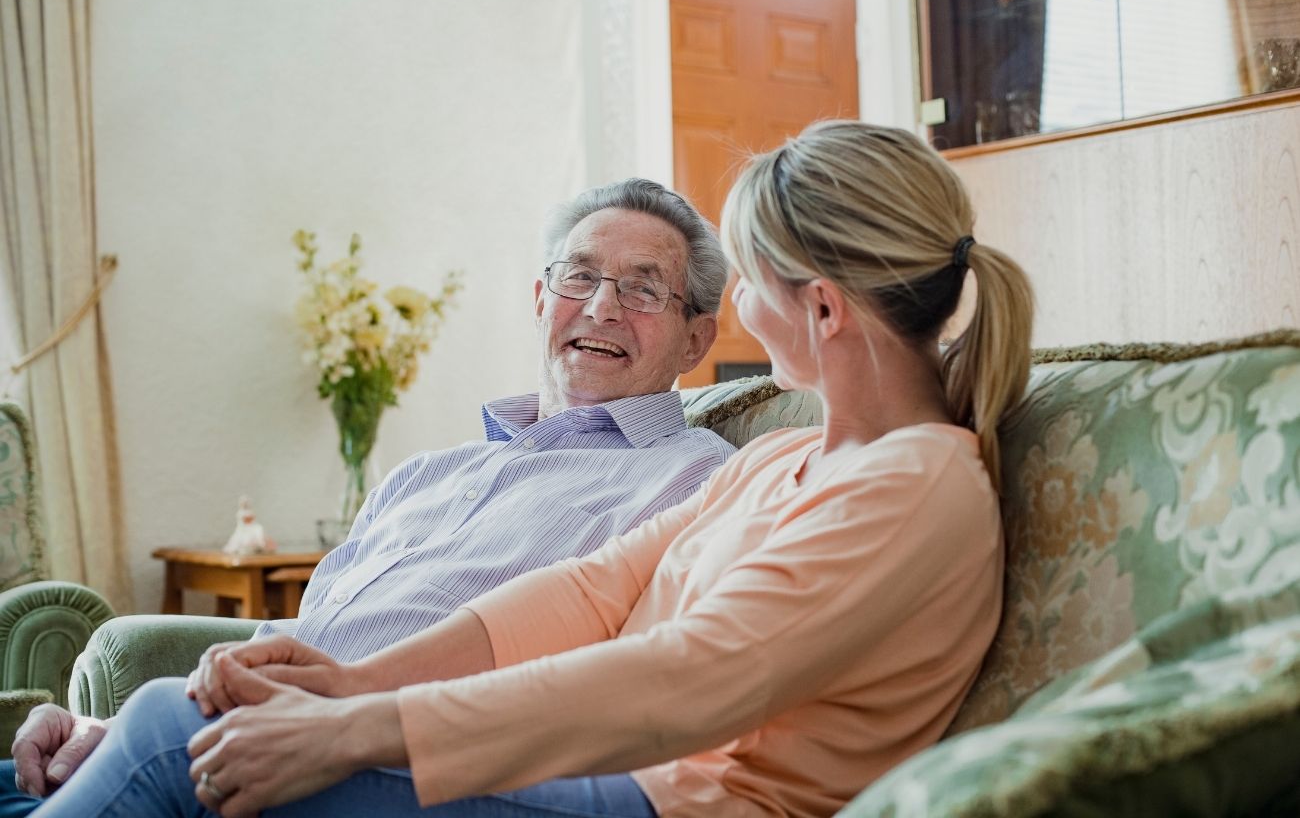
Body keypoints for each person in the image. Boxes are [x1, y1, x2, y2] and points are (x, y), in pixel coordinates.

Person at [29, 121, 1035, 817]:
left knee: (172, 733)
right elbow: (591, 595)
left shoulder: (918, 487)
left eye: (745, 286)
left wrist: (362, 732)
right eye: (580, 280)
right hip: (617, 782)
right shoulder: (781, 459)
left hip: (670, 803)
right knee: (173, 733)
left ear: (819, 310)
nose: (740, 319)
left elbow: (695, 682)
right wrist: (351, 684)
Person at [2, 178, 734, 812]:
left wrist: (180, 731)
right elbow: (309, 637)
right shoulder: (426, 474)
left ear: (695, 340)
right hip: (249, 734)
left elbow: (616, 678)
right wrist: (120, 734)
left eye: (642, 288)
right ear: (542, 299)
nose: (602, 307)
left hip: (399, 760)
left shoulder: (696, 478)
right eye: (579, 277)